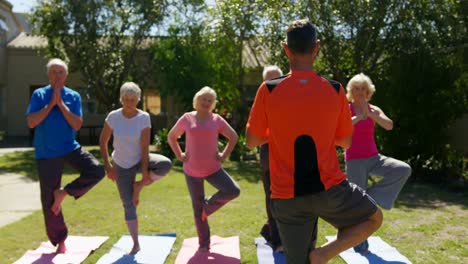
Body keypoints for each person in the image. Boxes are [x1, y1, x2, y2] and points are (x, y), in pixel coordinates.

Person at [245, 20, 383, 264]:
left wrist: (279, 131)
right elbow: (345, 142)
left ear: (286, 49)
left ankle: (319, 255)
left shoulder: (268, 90)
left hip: (287, 197)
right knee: (374, 218)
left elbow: (252, 140)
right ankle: (323, 254)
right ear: (316, 47)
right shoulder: (335, 89)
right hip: (330, 190)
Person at [25, 58, 105, 253]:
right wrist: (50, 104)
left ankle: (65, 192)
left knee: (96, 170)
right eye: (53, 72)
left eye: (60, 72)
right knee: (48, 202)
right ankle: (60, 241)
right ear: (48, 75)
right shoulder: (39, 94)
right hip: (46, 152)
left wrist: (60, 104)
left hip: (70, 147)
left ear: (66, 75)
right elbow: (31, 122)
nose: (57, 75)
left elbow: (77, 124)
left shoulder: (74, 96)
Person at [99, 82, 172, 255]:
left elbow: (145, 146)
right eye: (126, 99)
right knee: (129, 205)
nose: (129, 102)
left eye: (132, 99)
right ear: (121, 99)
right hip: (121, 165)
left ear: (138, 99)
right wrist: (109, 166)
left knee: (165, 164)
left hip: (139, 159)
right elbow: (103, 142)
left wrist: (146, 173)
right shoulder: (113, 116)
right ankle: (135, 243)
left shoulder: (143, 117)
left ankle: (137, 187)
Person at [167, 86, 241, 252]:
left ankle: (208, 207)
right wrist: (179, 154)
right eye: (203, 99)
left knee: (233, 190)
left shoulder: (216, 120)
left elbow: (233, 136)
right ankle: (204, 244)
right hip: (192, 171)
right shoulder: (187, 118)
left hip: (213, 169)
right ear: (197, 101)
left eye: (209, 100)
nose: (206, 102)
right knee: (197, 210)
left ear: (212, 104)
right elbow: (172, 137)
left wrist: (224, 155)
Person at [344, 73, 411, 253]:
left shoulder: (374, 109)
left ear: (368, 91)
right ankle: (360, 242)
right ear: (351, 91)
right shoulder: (346, 108)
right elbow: (342, 127)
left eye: (363, 89)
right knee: (359, 205)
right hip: (354, 161)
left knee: (403, 169)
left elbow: (388, 125)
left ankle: (371, 197)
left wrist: (372, 115)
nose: (359, 92)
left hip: (374, 158)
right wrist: (359, 117)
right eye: (356, 89)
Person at [258, 65, 285, 252]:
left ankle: (271, 232)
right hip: (269, 155)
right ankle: (276, 240)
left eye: (277, 79)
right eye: (269, 80)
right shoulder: (261, 102)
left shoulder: (291, 100)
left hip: (288, 156)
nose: (273, 84)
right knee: (272, 198)